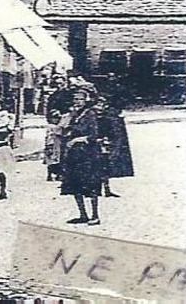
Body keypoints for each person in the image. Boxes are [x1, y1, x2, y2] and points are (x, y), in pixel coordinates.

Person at [60, 84, 105, 224]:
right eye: (75, 99)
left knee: (90, 184)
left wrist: (75, 140)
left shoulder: (90, 114)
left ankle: (95, 215)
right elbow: (65, 129)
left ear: (87, 99)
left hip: (88, 154)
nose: (77, 101)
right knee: (75, 184)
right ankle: (82, 214)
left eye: (80, 99)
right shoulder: (75, 114)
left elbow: (93, 135)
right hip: (75, 154)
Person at [95, 93, 134, 198]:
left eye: (102, 103)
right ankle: (97, 189)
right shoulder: (93, 115)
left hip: (104, 142)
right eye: (98, 103)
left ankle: (106, 189)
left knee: (103, 165)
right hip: (94, 141)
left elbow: (116, 132)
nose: (99, 106)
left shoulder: (110, 116)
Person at [43, 108, 65, 181]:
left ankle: (58, 174)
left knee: (58, 159)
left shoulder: (57, 126)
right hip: (52, 144)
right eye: (54, 118)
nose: (55, 120)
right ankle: (50, 175)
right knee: (51, 159)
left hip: (58, 144)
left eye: (57, 118)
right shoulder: (51, 126)